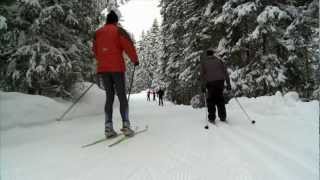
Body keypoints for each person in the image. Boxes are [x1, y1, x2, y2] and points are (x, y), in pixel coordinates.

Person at [92, 10, 139, 138]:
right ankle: (126, 125)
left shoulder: (97, 33)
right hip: (117, 69)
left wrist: (103, 60)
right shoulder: (119, 31)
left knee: (109, 97)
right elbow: (128, 45)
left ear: (107, 20)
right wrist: (135, 60)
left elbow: (95, 51)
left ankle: (108, 127)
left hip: (103, 70)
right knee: (122, 96)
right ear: (115, 21)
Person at [200, 49, 231, 123]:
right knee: (220, 99)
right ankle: (223, 116)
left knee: (211, 100)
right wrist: (228, 83)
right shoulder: (219, 61)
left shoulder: (204, 63)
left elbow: (202, 75)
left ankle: (211, 117)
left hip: (210, 83)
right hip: (220, 82)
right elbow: (225, 72)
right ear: (213, 54)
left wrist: (203, 86)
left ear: (207, 55)